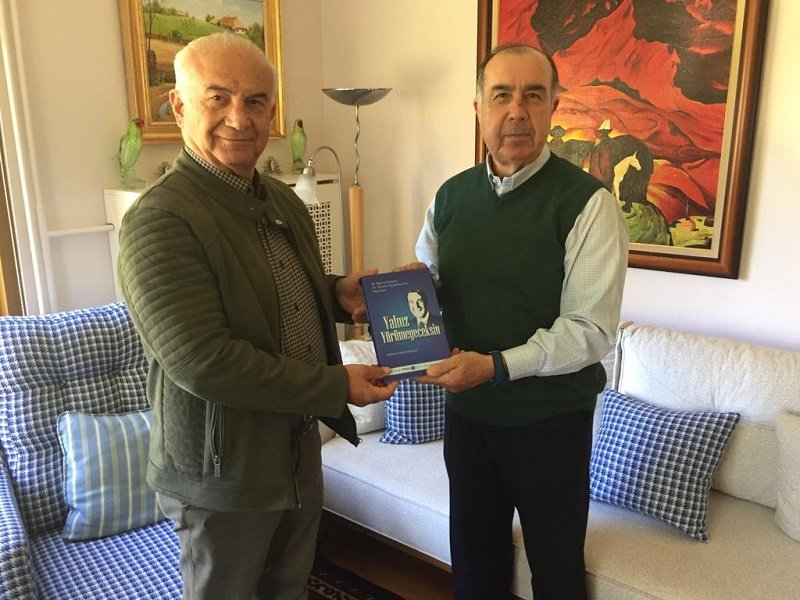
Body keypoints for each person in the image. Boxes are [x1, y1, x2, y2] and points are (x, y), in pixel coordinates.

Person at [118, 33, 397, 600]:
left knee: (289, 588)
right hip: (223, 473)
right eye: (217, 98)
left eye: (255, 101)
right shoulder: (159, 220)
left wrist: (336, 294)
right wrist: (335, 384)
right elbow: (204, 362)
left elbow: (274, 294)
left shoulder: (283, 199)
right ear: (179, 105)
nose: (238, 118)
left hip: (296, 448)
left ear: (273, 110)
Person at [411, 44, 628, 599]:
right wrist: (392, 301)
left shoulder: (588, 204)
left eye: (533, 95)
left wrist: (496, 366)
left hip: (550, 427)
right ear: (478, 107)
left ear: (553, 106)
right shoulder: (449, 198)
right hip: (468, 421)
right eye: (501, 95)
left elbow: (590, 331)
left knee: (555, 574)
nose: (516, 111)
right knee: (474, 567)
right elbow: (428, 290)